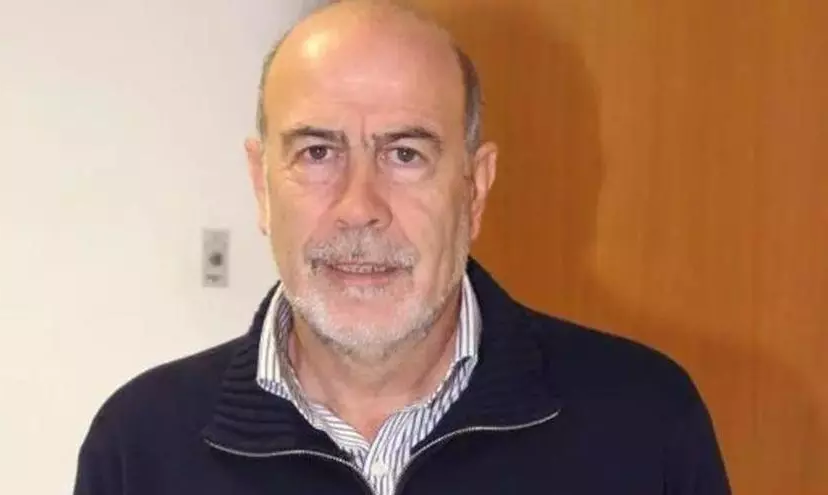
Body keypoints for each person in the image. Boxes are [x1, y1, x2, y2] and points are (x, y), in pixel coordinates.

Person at [74, 1, 731, 494]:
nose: (360, 205)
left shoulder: (645, 425)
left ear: (475, 188)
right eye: (318, 152)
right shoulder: (140, 448)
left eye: (405, 154)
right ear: (261, 185)